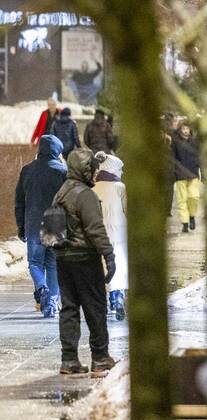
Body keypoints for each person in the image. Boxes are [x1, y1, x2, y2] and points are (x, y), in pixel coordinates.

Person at [52, 148, 115, 375]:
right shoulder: (85, 195)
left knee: (69, 308)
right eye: (93, 168)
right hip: (85, 257)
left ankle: (68, 360)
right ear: (84, 169)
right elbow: (95, 229)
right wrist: (108, 254)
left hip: (63, 258)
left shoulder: (61, 191)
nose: (96, 173)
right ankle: (100, 357)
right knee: (95, 306)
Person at [13, 135, 66, 318]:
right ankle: (51, 303)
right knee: (52, 264)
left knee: (35, 263)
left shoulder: (27, 170)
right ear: (57, 151)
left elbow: (19, 202)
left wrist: (21, 227)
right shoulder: (62, 171)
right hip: (55, 222)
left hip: (33, 222)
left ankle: (41, 289)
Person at [92, 152, 127, 321]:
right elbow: (127, 209)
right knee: (118, 265)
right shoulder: (120, 187)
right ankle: (118, 297)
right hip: (118, 232)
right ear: (114, 170)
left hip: (98, 234)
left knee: (101, 266)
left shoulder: (93, 188)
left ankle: (105, 301)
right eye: (120, 170)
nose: (121, 173)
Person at [171, 121, 201, 232]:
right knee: (182, 199)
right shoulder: (175, 142)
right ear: (180, 130)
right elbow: (173, 158)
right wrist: (175, 172)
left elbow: (199, 156)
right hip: (180, 174)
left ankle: (192, 216)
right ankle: (185, 223)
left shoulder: (195, 142)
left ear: (190, 130)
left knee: (194, 197)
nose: (185, 131)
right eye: (183, 129)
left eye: (187, 129)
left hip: (193, 173)